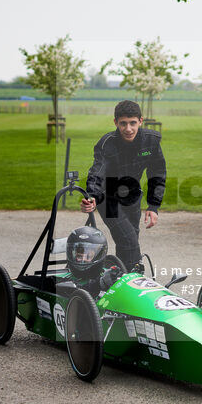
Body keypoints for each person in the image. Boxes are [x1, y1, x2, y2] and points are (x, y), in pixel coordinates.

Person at [81, 100, 166, 270]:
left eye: (133, 123)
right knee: (128, 239)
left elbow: (157, 173)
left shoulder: (151, 141)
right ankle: (136, 277)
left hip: (132, 194)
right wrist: (92, 197)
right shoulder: (107, 143)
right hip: (108, 196)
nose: (128, 129)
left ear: (140, 121)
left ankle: (119, 279)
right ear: (116, 122)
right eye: (123, 123)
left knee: (127, 239)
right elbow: (97, 172)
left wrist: (153, 206)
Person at [64, 225, 125, 297]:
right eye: (79, 256)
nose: (83, 260)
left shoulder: (108, 274)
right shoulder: (63, 280)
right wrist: (99, 284)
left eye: (88, 256)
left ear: (99, 256)